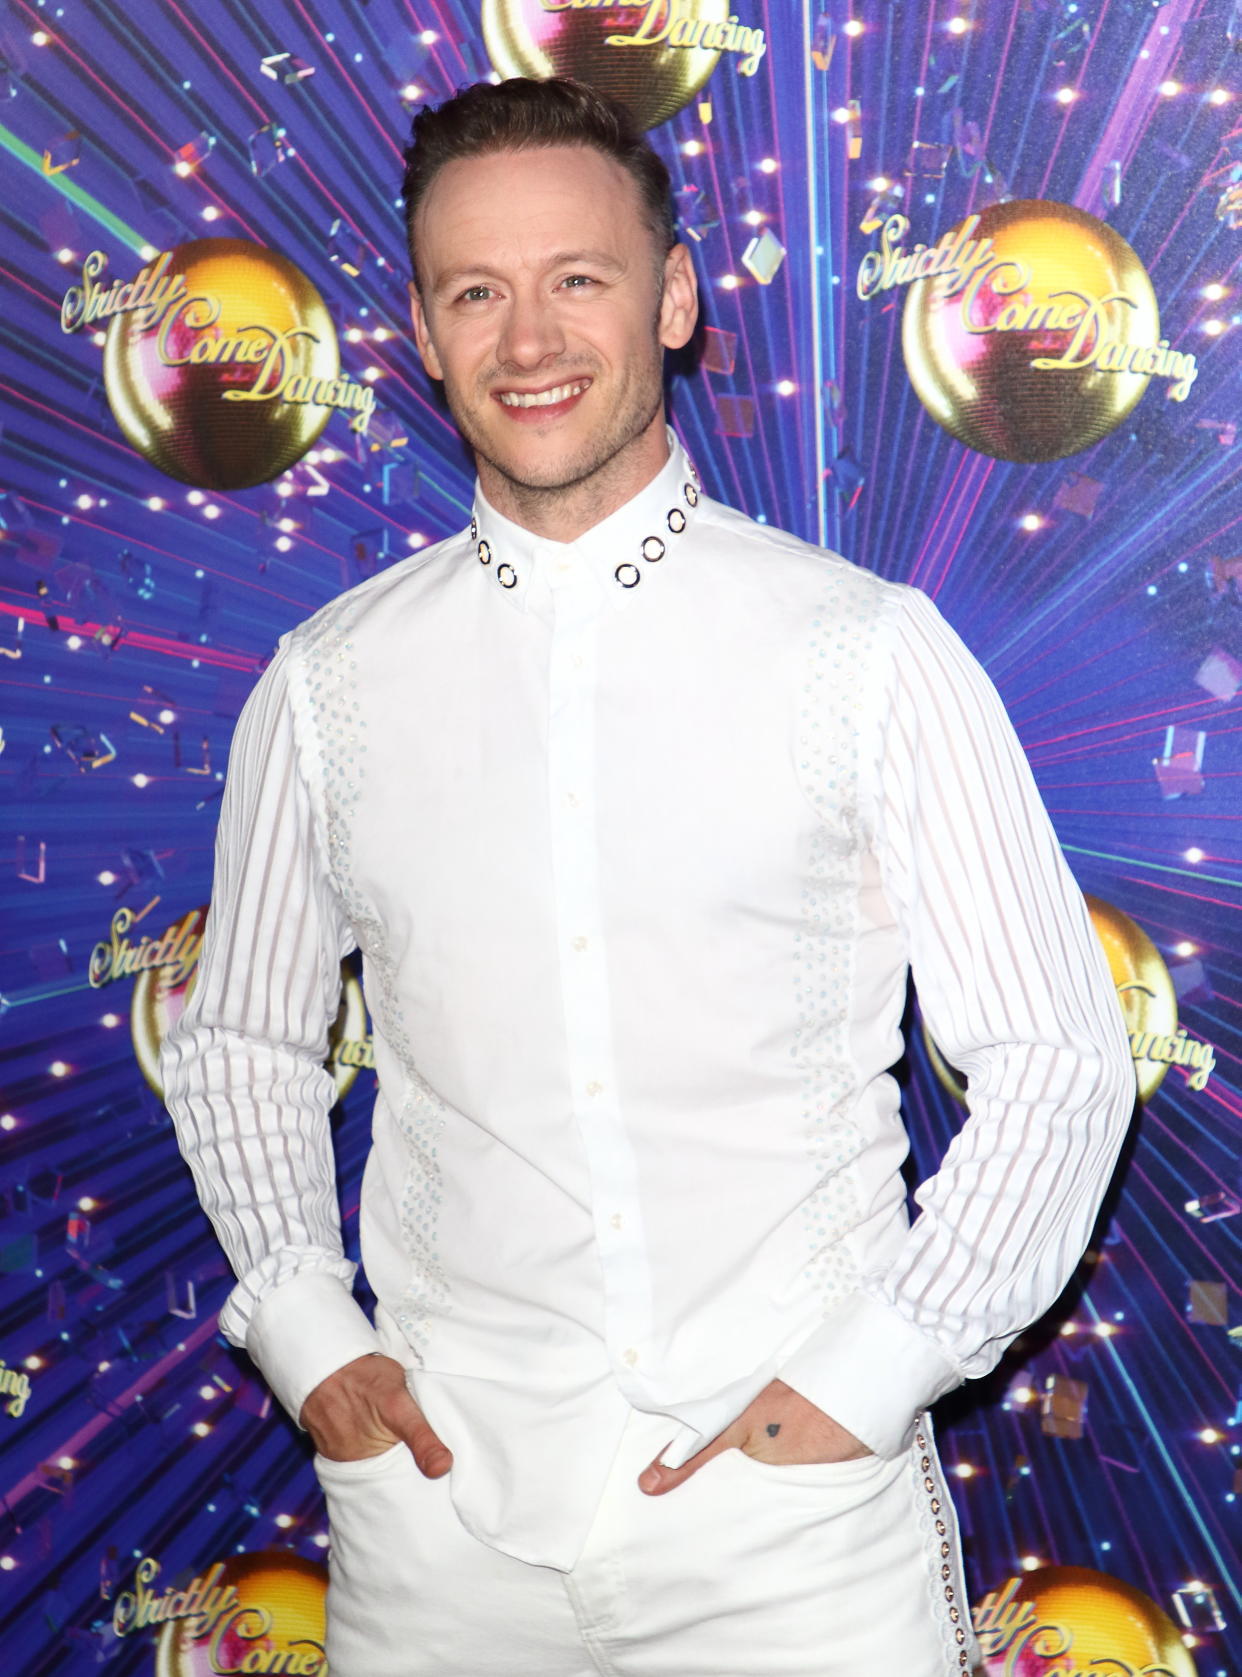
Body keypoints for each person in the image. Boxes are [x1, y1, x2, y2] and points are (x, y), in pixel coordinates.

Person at [160, 75, 1134, 1677]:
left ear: (672, 299)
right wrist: (308, 1333)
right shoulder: (325, 685)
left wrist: (871, 1373)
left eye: (578, 280)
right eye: (477, 291)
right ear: (421, 329)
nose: (527, 340)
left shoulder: (863, 652)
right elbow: (242, 1038)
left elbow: (1055, 1053)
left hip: (791, 1541)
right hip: (439, 1520)